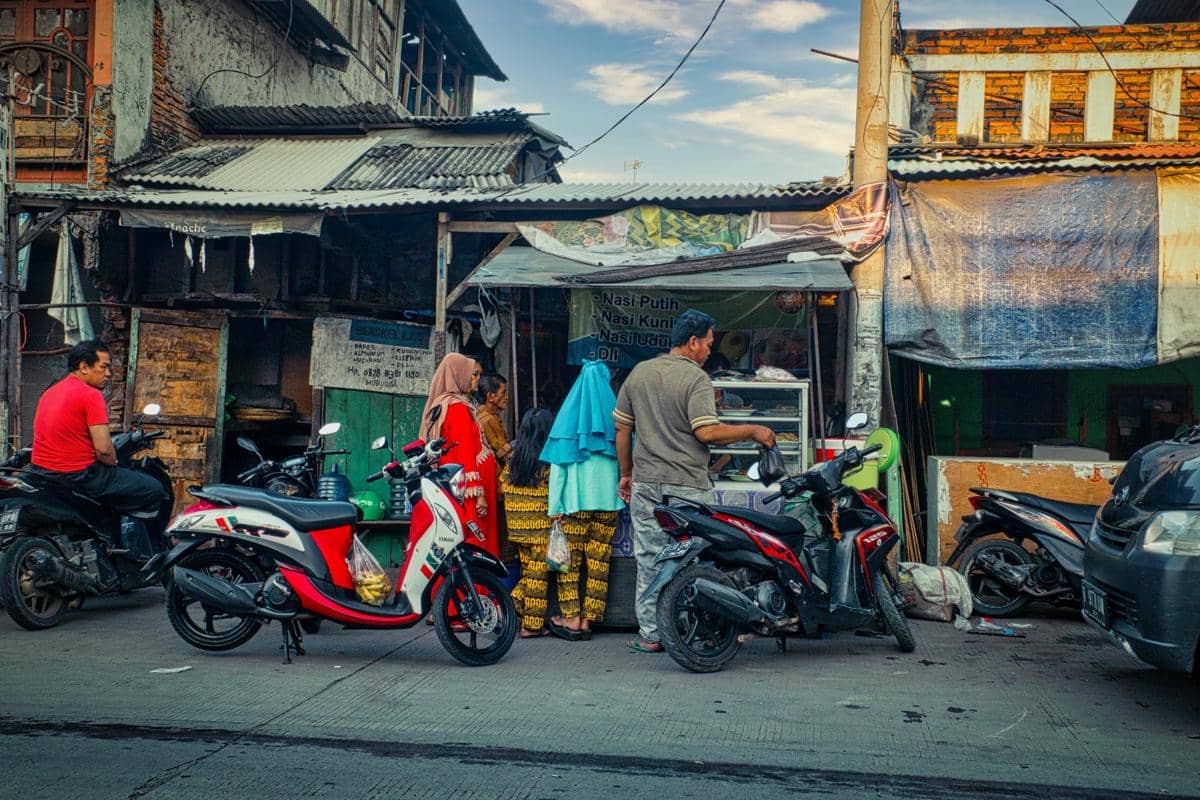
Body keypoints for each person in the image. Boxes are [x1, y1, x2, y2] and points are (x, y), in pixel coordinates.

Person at [614, 310, 776, 653]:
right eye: (708, 343)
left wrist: (626, 474)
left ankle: (652, 634)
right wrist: (753, 430)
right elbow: (706, 431)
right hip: (687, 483)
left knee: (650, 557)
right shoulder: (696, 380)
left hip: (646, 483)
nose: (708, 350)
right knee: (697, 558)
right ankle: (692, 626)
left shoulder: (639, 373)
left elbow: (622, 429)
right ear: (692, 342)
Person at [30, 339, 166, 516]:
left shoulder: (50, 392)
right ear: (84, 367)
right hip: (78, 476)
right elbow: (104, 451)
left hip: (42, 472)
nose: (108, 373)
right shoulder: (90, 395)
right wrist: (114, 462)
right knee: (154, 488)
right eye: (104, 367)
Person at [541, 360, 624, 641]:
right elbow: (627, 464)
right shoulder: (617, 423)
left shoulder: (568, 419)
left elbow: (558, 470)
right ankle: (589, 620)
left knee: (569, 564)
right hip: (609, 505)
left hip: (574, 507)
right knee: (599, 563)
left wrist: (554, 508)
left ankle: (571, 619)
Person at [421, 353, 499, 557]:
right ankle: (474, 588)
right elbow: (465, 454)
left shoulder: (447, 404)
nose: (477, 380)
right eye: (474, 374)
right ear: (459, 374)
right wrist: (479, 495)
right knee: (475, 543)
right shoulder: (457, 409)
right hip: (469, 493)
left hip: (457, 487)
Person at [499, 407, 556, 638]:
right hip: (540, 527)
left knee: (529, 572)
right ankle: (530, 625)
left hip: (518, 526)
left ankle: (507, 610)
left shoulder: (513, 457)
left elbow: (502, 485)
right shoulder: (547, 459)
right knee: (538, 576)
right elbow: (555, 489)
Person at [474, 373, 512, 466]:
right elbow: (504, 454)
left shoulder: (482, 413)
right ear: (490, 396)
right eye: (503, 393)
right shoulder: (488, 420)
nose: (506, 398)